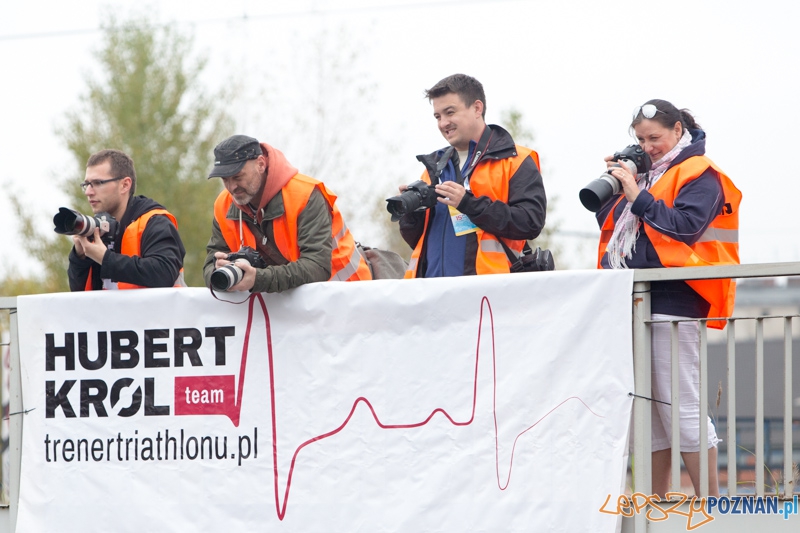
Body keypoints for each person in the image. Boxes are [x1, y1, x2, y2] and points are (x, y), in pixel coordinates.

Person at [595, 99, 741, 497]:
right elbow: (612, 224)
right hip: (633, 300)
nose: (648, 146)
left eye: (654, 138)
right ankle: (650, 503)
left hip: (676, 301)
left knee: (682, 406)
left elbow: (685, 228)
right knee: (650, 412)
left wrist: (638, 194)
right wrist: (618, 183)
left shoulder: (702, 175)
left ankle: (710, 504)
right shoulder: (649, 173)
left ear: (678, 130)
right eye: (640, 140)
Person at [397, 73, 547, 278]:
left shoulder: (516, 159)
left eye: (450, 112)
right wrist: (411, 216)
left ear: (477, 108)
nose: (443, 123)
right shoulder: (433, 167)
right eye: (438, 116)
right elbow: (419, 240)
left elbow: (530, 223)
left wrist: (468, 203)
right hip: (431, 294)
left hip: (487, 294)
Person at [204, 134, 371, 293]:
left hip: (346, 298)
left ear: (261, 164)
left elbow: (317, 266)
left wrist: (258, 279)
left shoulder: (305, 195)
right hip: (287, 310)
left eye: (238, 177)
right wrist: (217, 269)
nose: (232, 187)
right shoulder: (223, 204)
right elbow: (210, 262)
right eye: (225, 180)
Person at [68, 149, 186, 290]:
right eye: (86, 184)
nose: (88, 192)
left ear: (125, 185)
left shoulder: (154, 221)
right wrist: (79, 258)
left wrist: (106, 259)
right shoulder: (97, 228)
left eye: (98, 183)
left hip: (158, 312)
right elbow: (80, 295)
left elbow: (164, 273)